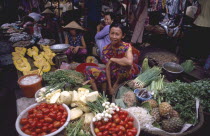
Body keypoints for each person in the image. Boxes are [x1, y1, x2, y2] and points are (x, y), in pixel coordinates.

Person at [85, 22, 140, 95]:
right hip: (112, 73)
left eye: (117, 34)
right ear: (109, 34)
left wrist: (113, 59)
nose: (114, 37)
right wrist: (110, 87)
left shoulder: (127, 46)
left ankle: (116, 84)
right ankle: (97, 95)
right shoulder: (106, 49)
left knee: (125, 65)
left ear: (123, 36)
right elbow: (107, 68)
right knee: (88, 69)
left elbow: (129, 62)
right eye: (112, 33)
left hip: (125, 74)